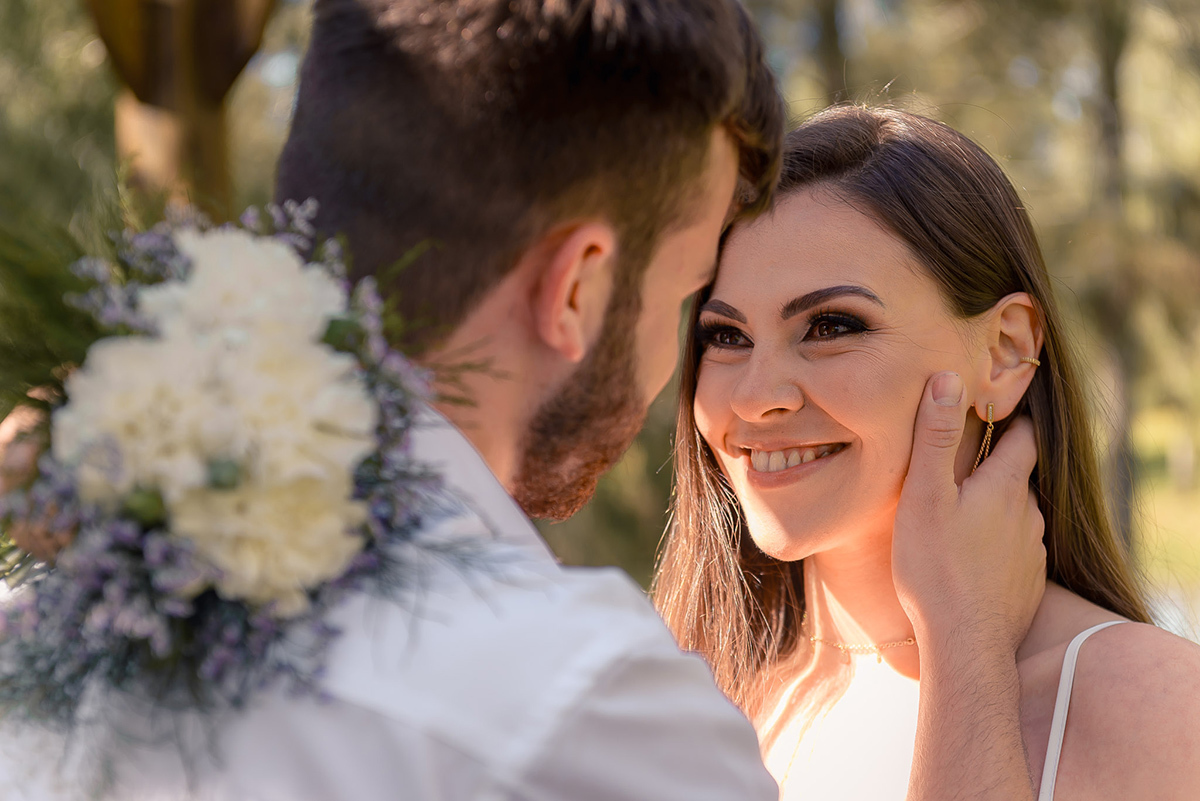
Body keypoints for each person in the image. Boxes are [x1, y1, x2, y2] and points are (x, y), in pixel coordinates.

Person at [2, 5, 1042, 800]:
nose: (692, 388)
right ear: (579, 286)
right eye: (692, 303)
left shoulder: (47, 599)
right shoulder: (579, 708)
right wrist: (968, 647)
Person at [654, 104, 1200, 800]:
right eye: (726, 336)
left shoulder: (1154, 710)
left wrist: (963, 642)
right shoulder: (690, 710)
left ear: (1004, 352)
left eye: (830, 325)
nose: (757, 396)